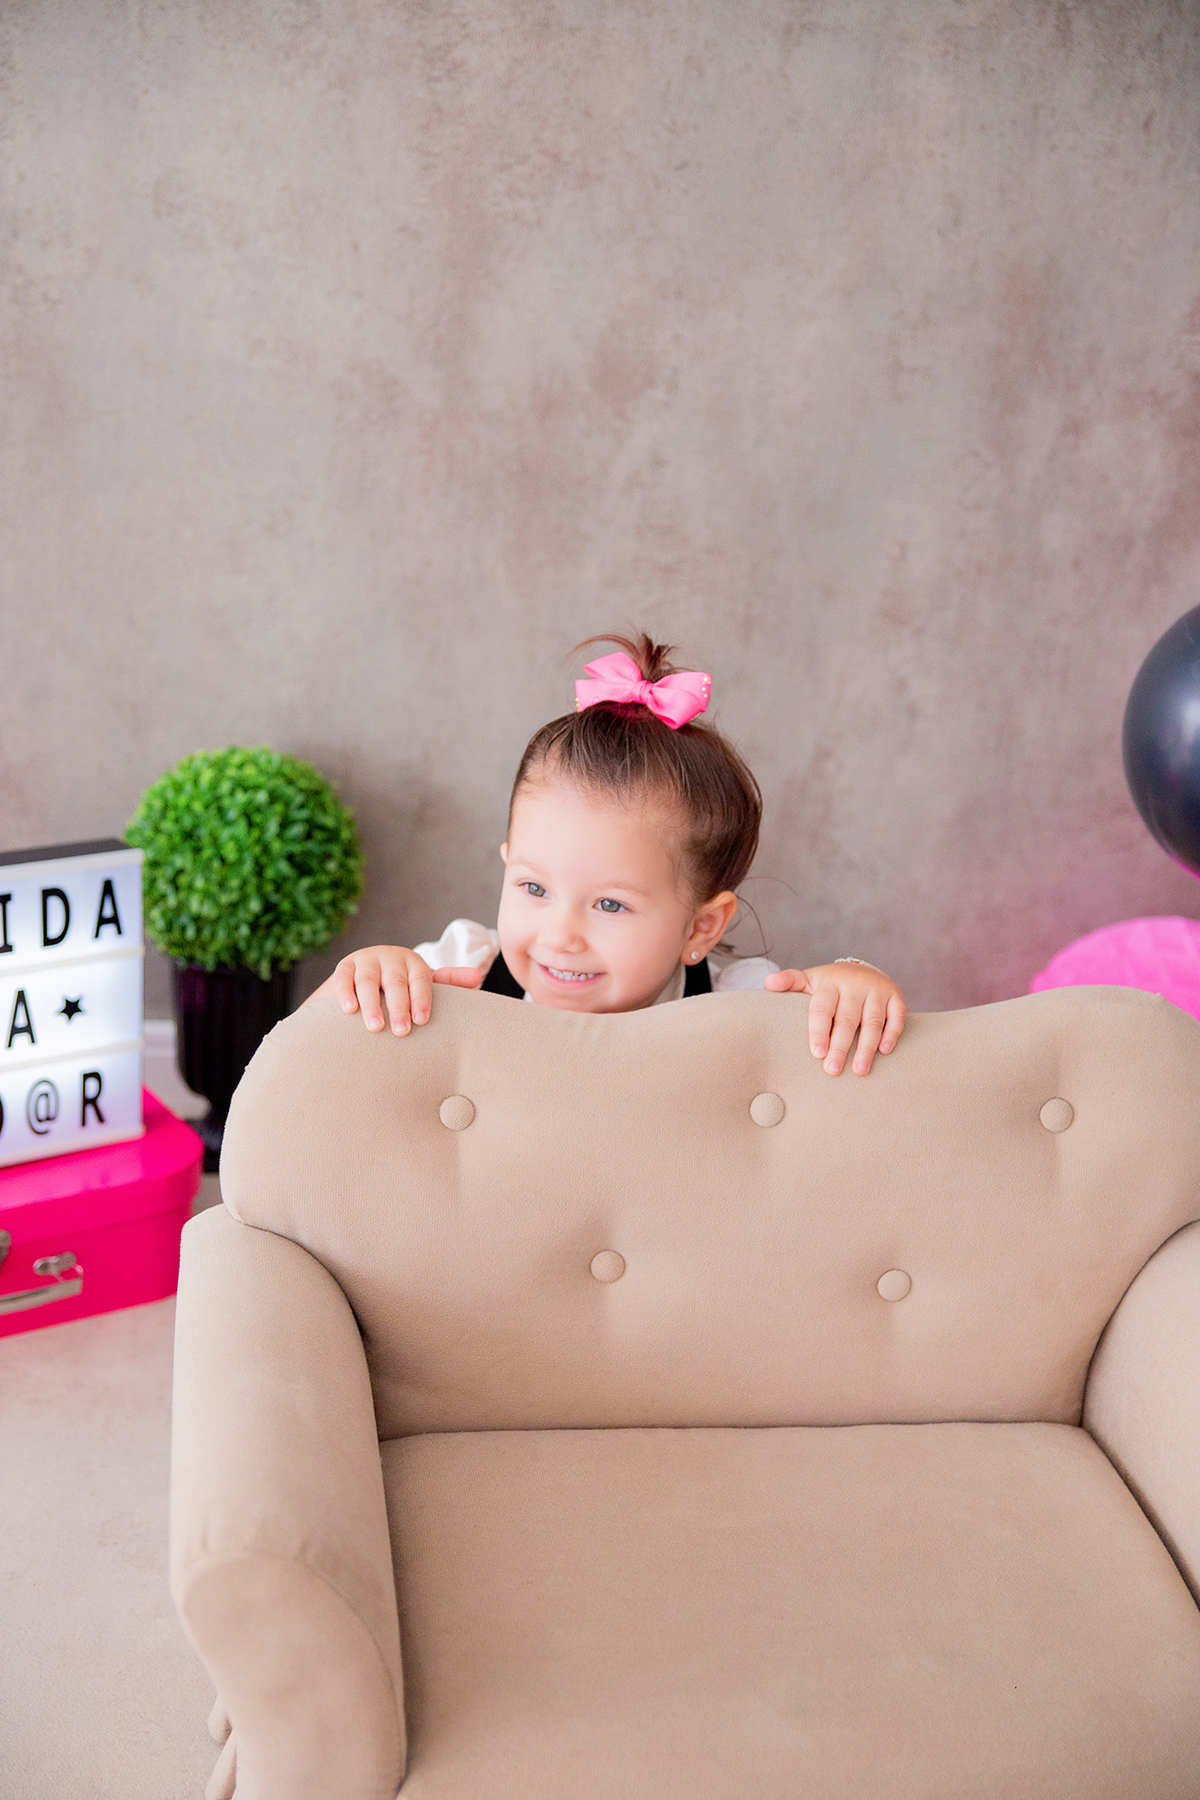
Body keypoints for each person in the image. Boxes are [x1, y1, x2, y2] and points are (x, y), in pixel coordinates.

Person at [307, 634, 907, 1075]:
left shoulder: (737, 1008)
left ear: (701, 926)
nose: (560, 934)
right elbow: (298, 1059)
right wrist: (365, 981)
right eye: (534, 889)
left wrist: (857, 981)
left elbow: (831, 1034)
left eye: (610, 905)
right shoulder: (462, 972)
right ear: (508, 861)